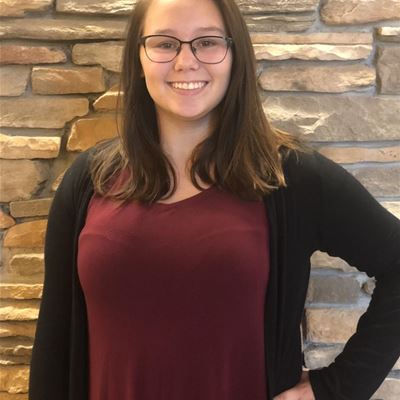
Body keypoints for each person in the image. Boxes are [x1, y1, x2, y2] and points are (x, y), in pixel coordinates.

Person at [29, 0, 400, 399]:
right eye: (165, 43)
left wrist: (335, 389)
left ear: (235, 55)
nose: (186, 61)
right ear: (138, 58)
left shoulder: (291, 179)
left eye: (207, 42)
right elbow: (55, 340)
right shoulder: (89, 181)